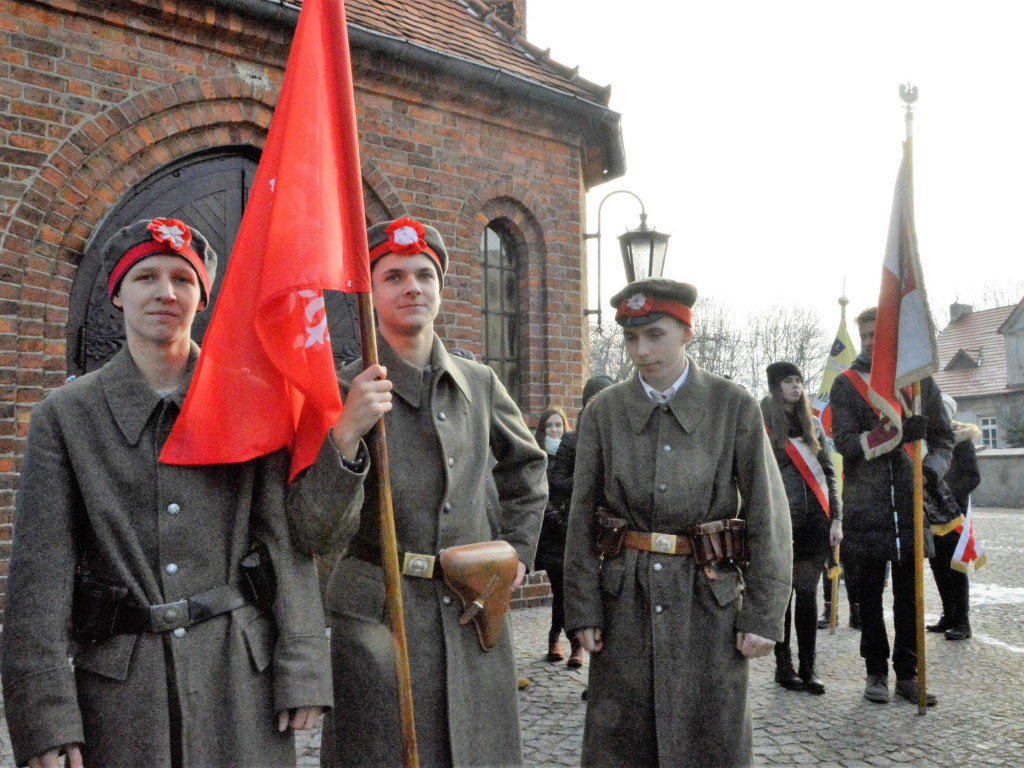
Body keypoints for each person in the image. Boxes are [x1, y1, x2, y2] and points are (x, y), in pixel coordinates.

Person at [1, 218, 334, 768]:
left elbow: (284, 543)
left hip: (238, 677)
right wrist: (44, 717)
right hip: (121, 690)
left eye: (182, 279)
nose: (165, 293)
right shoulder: (66, 418)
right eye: (146, 277)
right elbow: (40, 575)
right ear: (117, 295)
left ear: (202, 297)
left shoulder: (248, 401)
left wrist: (302, 665)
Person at [286, 217, 548, 768]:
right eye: (394, 276)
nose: (412, 287)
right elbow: (312, 526)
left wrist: (517, 553)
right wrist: (346, 434)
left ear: (441, 289)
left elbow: (527, 469)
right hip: (380, 620)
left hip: (473, 608)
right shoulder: (341, 389)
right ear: (371, 292)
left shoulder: (478, 383)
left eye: (425, 275)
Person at [563, 277, 792, 768]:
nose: (641, 350)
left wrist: (763, 615)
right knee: (621, 745)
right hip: (625, 602)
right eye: (630, 338)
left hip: (708, 603)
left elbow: (768, 515)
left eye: (655, 335)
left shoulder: (734, 406)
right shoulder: (604, 412)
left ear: (686, 333)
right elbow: (581, 516)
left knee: (712, 740)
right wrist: (582, 607)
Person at [830, 306, 954, 705]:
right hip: (866, 508)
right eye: (864, 334)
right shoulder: (847, 385)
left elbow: (944, 440)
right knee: (868, 598)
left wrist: (929, 474)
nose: (869, 340)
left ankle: (908, 674)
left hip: (909, 502)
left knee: (910, 598)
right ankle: (876, 673)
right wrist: (895, 434)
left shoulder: (919, 383)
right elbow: (847, 444)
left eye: (876, 334)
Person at [761, 362, 843, 695]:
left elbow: (829, 473)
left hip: (815, 522)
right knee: (784, 596)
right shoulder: (763, 425)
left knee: (807, 595)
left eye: (798, 381)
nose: (796, 386)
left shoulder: (812, 425)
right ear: (775, 387)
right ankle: (784, 666)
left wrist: (836, 517)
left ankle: (810, 668)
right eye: (788, 381)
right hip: (780, 522)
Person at [926, 394, 981, 641]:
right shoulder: (930, 441)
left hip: (955, 512)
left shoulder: (962, 439)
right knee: (937, 565)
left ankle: (963, 621)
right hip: (932, 512)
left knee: (956, 567)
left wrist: (948, 495)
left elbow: (972, 476)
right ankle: (948, 614)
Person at [532, 405, 578, 665]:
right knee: (561, 588)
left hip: (571, 531)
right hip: (551, 534)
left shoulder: (573, 455)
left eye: (558, 425)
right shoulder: (539, 456)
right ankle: (564, 640)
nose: (554, 430)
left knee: (567, 590)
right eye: (549, 425)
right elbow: (539, 493)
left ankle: (565, 641)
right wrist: (557, 519)